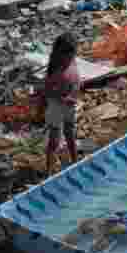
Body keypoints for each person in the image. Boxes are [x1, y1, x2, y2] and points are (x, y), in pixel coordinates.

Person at [41, 33, 80, 176]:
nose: (71, 57)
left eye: (73, 54)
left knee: (70, 134)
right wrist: (63, 98)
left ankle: (75, 161)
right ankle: (49, 171)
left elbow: (76, 83)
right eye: (69, 55)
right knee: (55, 140)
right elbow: (48, 91)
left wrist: (72, 95)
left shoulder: (72, 62)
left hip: (70, 104)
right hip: (57, 107)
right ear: (61, 54)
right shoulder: (56, 70)